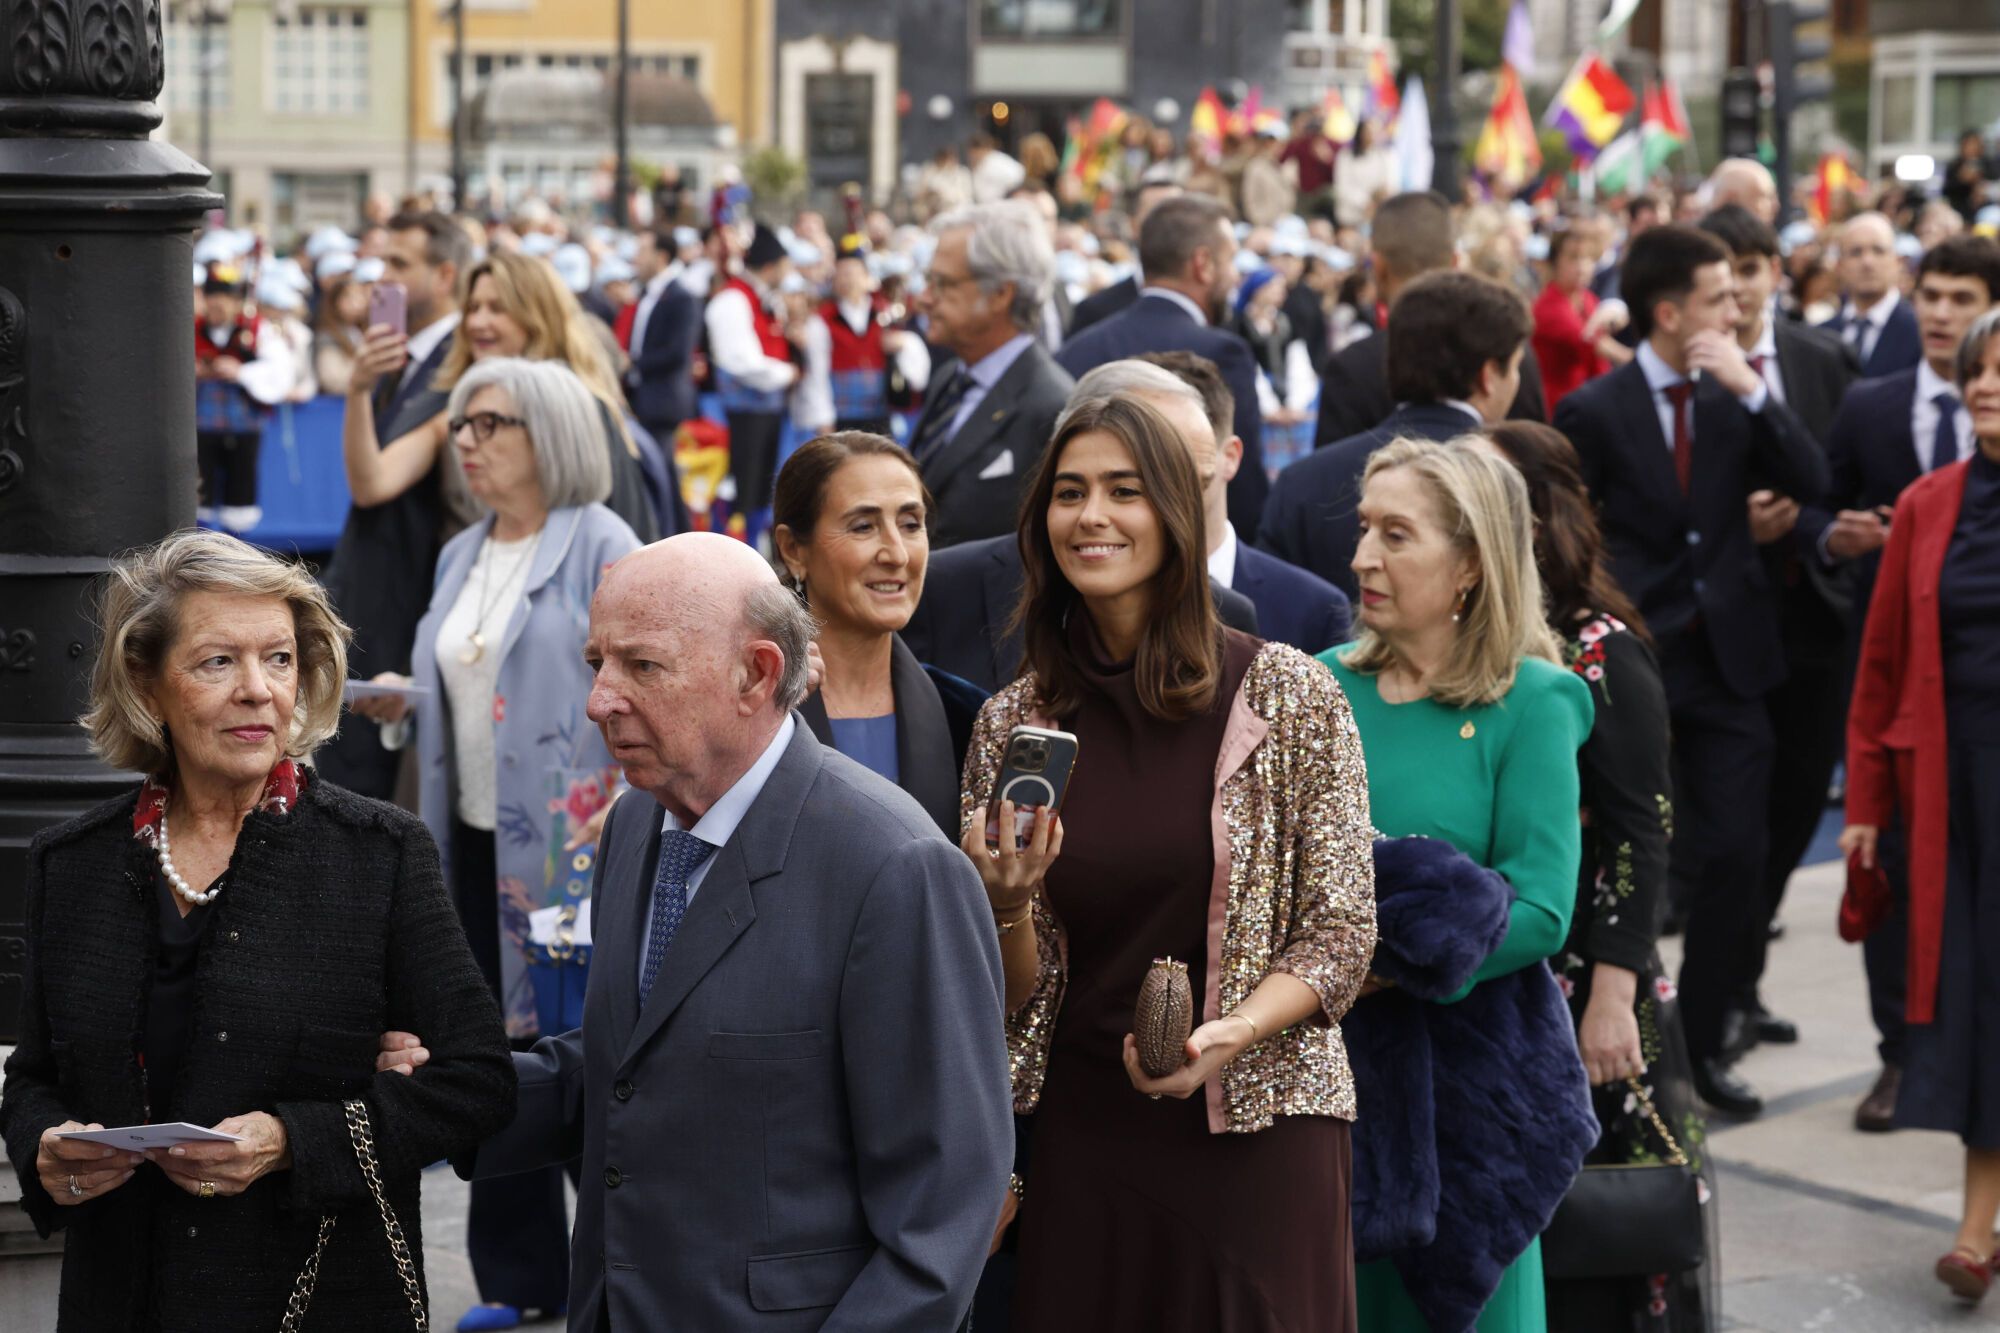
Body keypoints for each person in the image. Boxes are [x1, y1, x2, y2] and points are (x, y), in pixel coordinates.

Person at [437, 532, 1012, 1330]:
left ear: (758, 674)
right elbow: (635, 1067)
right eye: (597, 662)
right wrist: (442, 1091)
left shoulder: (893, 866)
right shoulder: (637, 822)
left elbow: (941, 1216)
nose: (600, 699)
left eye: (642, 665)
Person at [0, 529, 514, 1328]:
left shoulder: (377, 853)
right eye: (217, 661)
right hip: (121, 1299)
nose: (258, 690)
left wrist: (291, 1140)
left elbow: (476, 1079)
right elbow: (33, 1076)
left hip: (313, 1299)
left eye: (279, 658)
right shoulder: (73, 863)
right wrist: (47, 1146)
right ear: (146, 682)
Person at [961, 392, 1376, 1332]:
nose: (1092, 515)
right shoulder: (1013, 722)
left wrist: (1230, 1034)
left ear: (1178, 514)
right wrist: (1006, 905)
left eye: (1125, 490)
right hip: (1086, 1135)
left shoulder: (1290, 693)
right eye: (1070, 492)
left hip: (1258, 1128)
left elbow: (1341, 932)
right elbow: (1012, 996)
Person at [351, 359, 639, 1331]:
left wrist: (628, 802)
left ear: (549, 433)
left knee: (579, 1048)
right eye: (461, 424)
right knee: (484, 1051)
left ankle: (622, 1260)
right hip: (466, 838)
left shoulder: (602, 542)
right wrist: (406, 698)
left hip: (571, 844)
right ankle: (519, 1277)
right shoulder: (461, 550)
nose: (465, 442)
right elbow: (464, 676)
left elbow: (642, 681)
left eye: (489, 423)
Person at [1316, 436, 1593, 1331]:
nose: (1364, 557)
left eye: (1396, 535)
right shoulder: (1317, 684)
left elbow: (1542, 908)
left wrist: (1387, 963)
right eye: (1364, 528)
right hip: (1331, 1090)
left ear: (1471, 561)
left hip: (1471, 1105)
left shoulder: (1534, 698)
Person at [1553, 224, 1829, 1117]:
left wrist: (1754, 392)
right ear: (1670, 313)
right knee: (1626, 853)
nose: (1736, 310)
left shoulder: (1733, 395)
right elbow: (1571, 537)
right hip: (1634, 664)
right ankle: (1616, 1039)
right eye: (1718, 298)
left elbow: (1813, 476)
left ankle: (1706, 1043)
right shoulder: (1595, 409)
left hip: (1731, 660)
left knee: (1739, 855)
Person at [1480, 421, 1720, 1331]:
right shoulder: (1474, 641)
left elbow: (1641, 830)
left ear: (1538, 517)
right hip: (1504, 972)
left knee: (1610, 1222)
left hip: (1589, 977)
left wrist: (1613, 994)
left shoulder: (1598, 648)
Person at [1797, 235, 2000, 1129]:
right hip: (1915, 710)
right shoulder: (1873, 406)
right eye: (1935, 296)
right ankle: (1902, 1059)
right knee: (1903, 906)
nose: (1943, 315)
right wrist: (1829, 535)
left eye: (1964, 299)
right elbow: (1819, 499)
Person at [1843, 307, 2000, 1303]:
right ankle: (1976, 1228)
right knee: (1980, 1001)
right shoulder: (1925, 504)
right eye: (1977, 370)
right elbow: (1881, 664)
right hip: (1954, 799)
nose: (1983, 385)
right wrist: (1864, 801)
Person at [1696, 203, 1861, 1062]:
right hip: (1729, 630)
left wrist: (1812, 528)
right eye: (1723, 276)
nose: (1740, 292)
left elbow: (1844, 475)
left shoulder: (1821, 358)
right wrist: (1746, 529)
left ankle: (1744, 976)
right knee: (1736, 825)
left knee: (1797, 805)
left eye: (1752, 271)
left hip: (1818, 618)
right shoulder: (1690, 374)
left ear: (1775, 273)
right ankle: (1722, 992)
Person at [343, 248, 664, 546]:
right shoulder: (454, 410)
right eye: (473, 308)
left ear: (535, 316)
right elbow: (371, 485)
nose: (477, 322)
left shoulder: (583, 408)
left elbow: (623, 529)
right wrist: (358, 390)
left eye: (497, 309)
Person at [317, 209, 471, 801]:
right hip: (378, 589)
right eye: (383, 261)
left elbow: (372, 483)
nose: (384, 277)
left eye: (400, 264)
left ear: (445, 275)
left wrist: (358, 388)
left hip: (412, 598)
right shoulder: (401, 356)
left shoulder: (459, 363)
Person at [1262, 270, 1534, 601]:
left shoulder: (1302, 481)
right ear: (1489, 375)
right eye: (1515, 366)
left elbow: (1270, 606)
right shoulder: (1511, 479)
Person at [774, 432, 967, 837]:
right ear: (793, 549)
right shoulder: (750, 710)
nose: (897, 554)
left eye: (911, 525)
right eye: (863, 527)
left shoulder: (963, 715)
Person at [1056, 194, 1271, 534]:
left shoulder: (1076, 349)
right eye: (1231, 260)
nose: (1235, 277)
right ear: (1203, 264)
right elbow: (1242, 489)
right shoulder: (1222, 354)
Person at [1137, 351, 1351, 654]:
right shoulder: (1096, 599)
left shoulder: (1314, 609)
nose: (1151, 473)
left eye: (1173, 452)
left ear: (1230, 457)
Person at [1313, 192, 1548, 447]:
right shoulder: (1508, 354)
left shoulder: (1352, 369)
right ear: (1455, 261)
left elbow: (1332, 467)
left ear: (1378, 267)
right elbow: (1536, 455)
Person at [910, 200, 1075, 548]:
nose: (924, 298)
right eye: (927, 280)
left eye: (942, 283)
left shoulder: (1051, 405)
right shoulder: (949, 380)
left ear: (1001, 293)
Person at [705, 222, 803, 539]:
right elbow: (740, 362)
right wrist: (787, 373)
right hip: (740, 415)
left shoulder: (764, 298)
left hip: (765, 412)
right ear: (770, 267)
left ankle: (753, 544)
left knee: (761, 490)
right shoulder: (733, 300)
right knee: (739, 491)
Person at [794, 234, 932, 438]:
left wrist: (903, 343)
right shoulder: (823, 320)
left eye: (853, 273)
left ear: (867, 276)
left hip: (880, 414)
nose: (848, 280)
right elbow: (817, 374)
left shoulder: (885, 315)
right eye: (842, 274)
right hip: (841, 417)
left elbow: (916, 371)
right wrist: (824, 421)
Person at [194, 262, 295, 534]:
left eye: (225, 298)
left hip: (244, 426)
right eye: (212, 296)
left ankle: (236, 544)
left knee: (240, 492)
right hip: (202, 427)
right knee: (199, 492)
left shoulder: (256, 330)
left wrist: (241, 372)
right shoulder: (192, 329)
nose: (218, 304)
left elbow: (281, 371)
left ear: (237, 302)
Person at [1068, 178, 1183, 336]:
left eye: (1180, 215)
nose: (1170, 226)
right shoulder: (1096, 311)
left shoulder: (1210, 307)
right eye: (1158, 214)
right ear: (1134, 226)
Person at [1531, 227, 1628, 411]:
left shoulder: (1587, 298)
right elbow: (1594, 343)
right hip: (1559, 407)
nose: (1582, 267)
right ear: (1555, 263)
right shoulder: (1548, 306)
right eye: (1573, 258)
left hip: (1589, 400)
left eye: (1589, 258)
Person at [622, 226, 703, 447]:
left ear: (661, 256)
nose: (637, 258)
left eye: (642, 251)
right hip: (639, 398)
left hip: (663, 403)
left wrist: (633, 362)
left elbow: (677, 352)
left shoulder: (681, 298)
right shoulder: (646, 293)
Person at [1820, 213, 1923, 378]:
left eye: (1878, 251)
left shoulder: (1920, 331)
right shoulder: (1821, 335)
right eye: (1856, 252)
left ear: (1897, 262)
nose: (1867, 262)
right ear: (1839, 266)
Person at [312, 269, 372, 397]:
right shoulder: (327, 336)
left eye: (360, 296)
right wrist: (365, 380)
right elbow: (333, 380)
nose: (357, 303)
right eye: (349, 297)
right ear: (335, 302)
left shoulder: (360, 332)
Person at [1333, 121, 1395, 229]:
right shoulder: (1346, 156)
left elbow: (1388, 185)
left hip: (1375, 215)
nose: (1371, 136)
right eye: (1368, 132)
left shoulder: (1384, 156)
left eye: (1375, 132)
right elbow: (1343, 187)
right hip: (1350, 214)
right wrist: (1365, 202)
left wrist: (1377, 201)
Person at [1946, 130, 1996, 224]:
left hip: (1986, 211)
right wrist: (1962, 180)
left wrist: (1981, 184)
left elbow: (1994, 185)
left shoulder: (1989, 165)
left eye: (1976, 144)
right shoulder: (1955, 166)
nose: (1972, 148)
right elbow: (1947, 191)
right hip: (1960, 209)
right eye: (1969, 144)